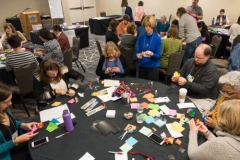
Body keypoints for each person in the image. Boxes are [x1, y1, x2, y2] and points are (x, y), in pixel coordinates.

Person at [171, 44, 219, 112]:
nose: (196, 59)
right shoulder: (190, 61)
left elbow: (202, 89)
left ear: (207, 57)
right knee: (172, 104)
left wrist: (186, 82)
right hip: (188, 93)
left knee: (190, 113)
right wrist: (177, 78)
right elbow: (181, 73)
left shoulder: (211, 71)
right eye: (195, 56)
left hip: (204, 98)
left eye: (199, 58)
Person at [0, 82, 38, 160]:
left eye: (10, 100)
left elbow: (13, 123)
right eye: (6, 102)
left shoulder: (5, 109)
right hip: (7, 155)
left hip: (16, 144)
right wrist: (15, 141)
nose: (10, 103)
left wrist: (23, 125)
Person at [136, 15, 162, 81]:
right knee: (142, 87)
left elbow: (158, 56)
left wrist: (152, 54)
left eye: (149, 26)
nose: (147, 28)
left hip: (153, 67)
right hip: (142, 66)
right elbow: (138, 51)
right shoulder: (140, 37)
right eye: (146, 26)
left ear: (153, 26)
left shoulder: (157, 39)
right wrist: (138, 55)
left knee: (152, 87)